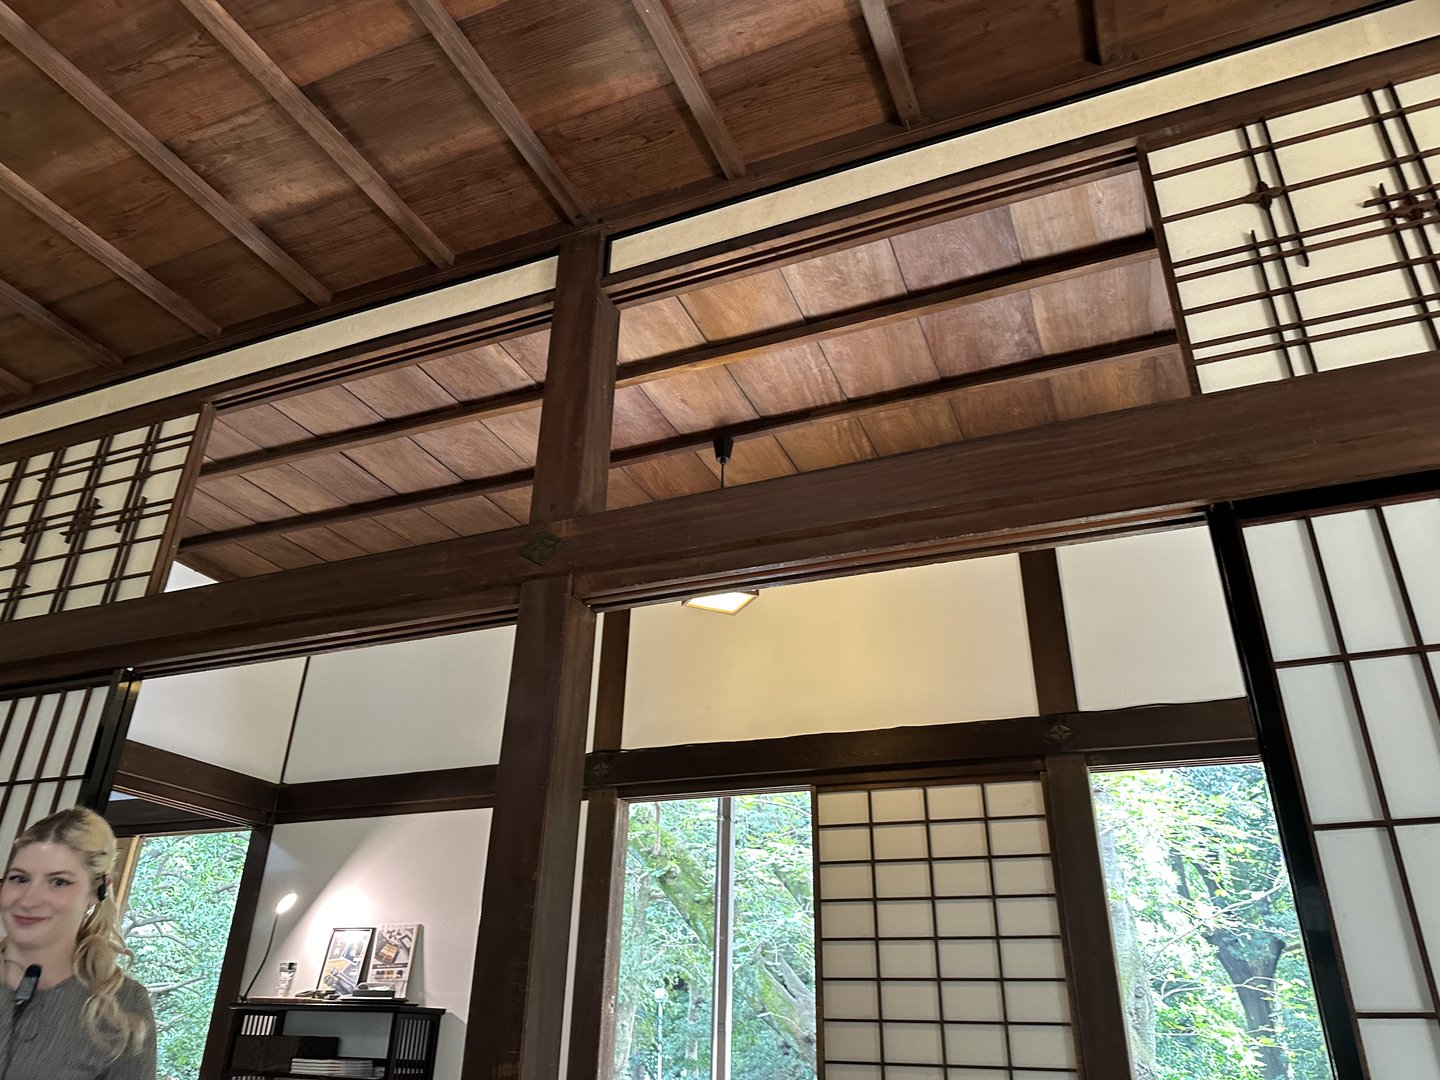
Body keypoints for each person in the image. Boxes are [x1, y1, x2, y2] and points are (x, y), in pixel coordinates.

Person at [0, 808, 155, 1080]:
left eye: (59, 882)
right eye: (20, 879)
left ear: (97, 890)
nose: (28, 899)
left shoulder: (122, 1005)